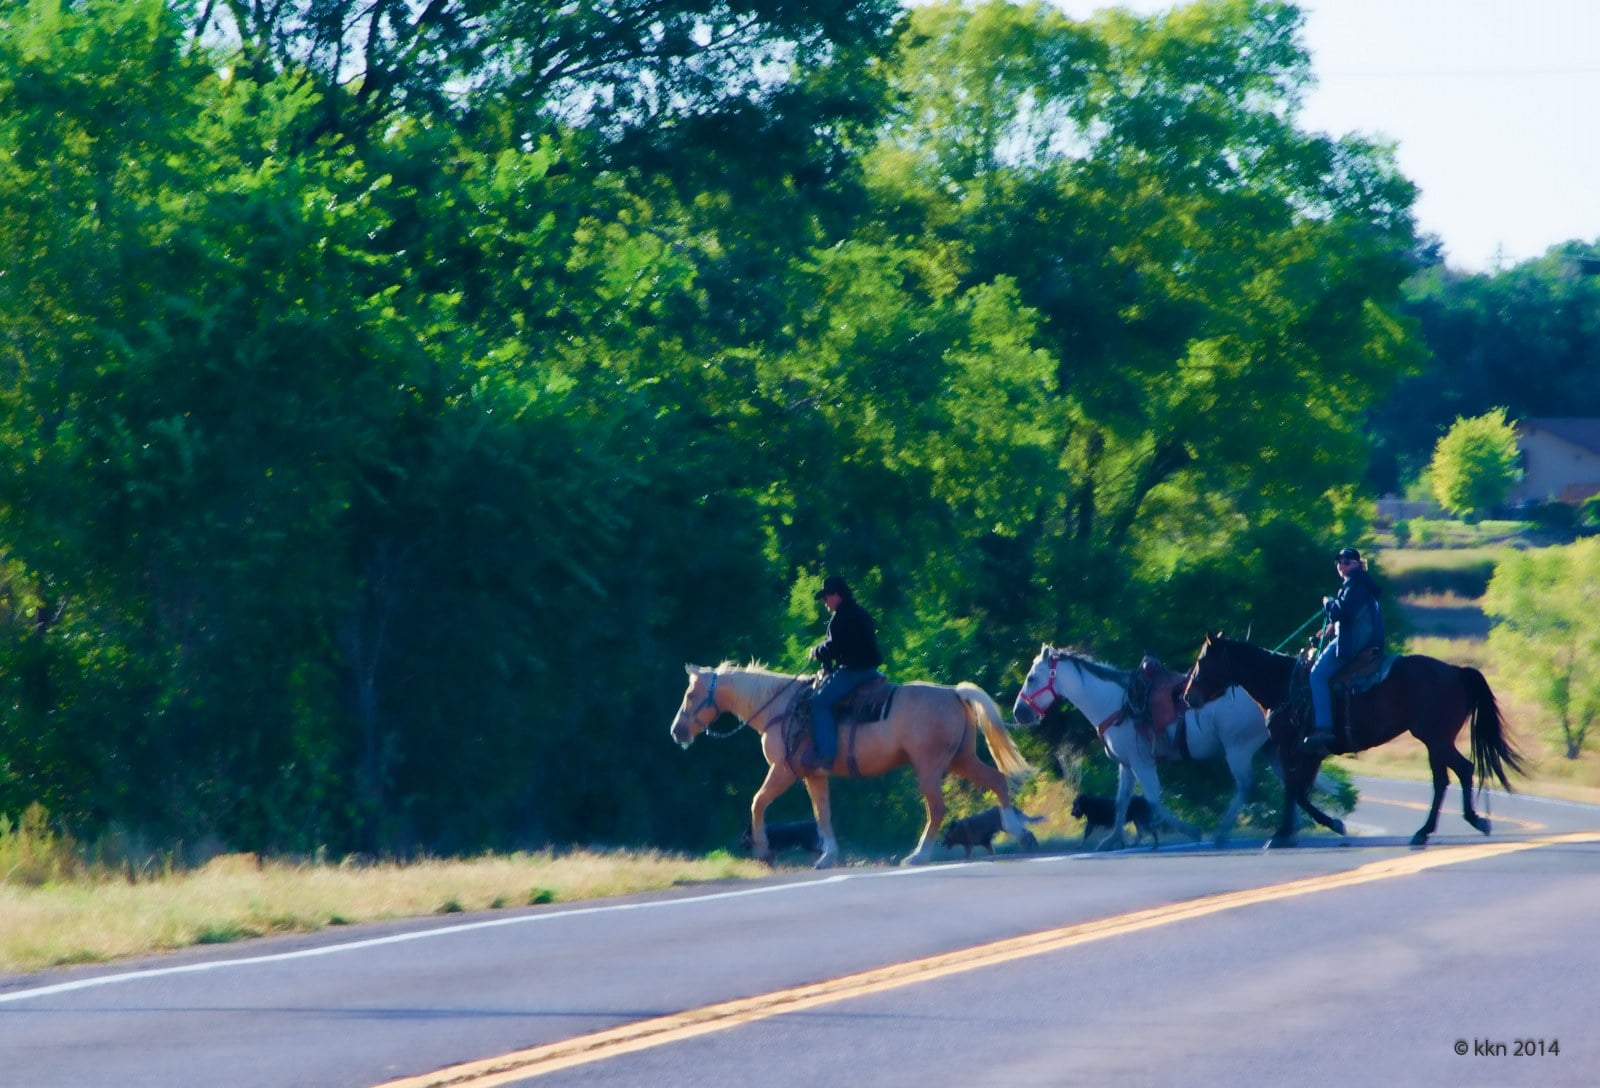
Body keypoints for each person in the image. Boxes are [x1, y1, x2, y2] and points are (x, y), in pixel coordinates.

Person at [1306, 547, 1385, 747]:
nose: (1342, 565)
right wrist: (1332, 629)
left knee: (1316, 675)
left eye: (1347, 562)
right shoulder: (1359, 582)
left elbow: (1342, 613)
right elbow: (1353, 615)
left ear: (1357, 564)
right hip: (1361, 638)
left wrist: (1328, 602)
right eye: (1339, 562)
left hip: (1354, 644)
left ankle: (1323, 728)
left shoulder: (1355, 584)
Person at [804, 575, 884, 771]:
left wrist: (816, 651)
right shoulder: (861, 613)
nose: (825, 601)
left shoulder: (840, 618)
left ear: (837, 595)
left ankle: (826, 755)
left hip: (853, 672)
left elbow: (833, 647)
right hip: (870, 671)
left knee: (819, 702)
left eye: (826, 597)